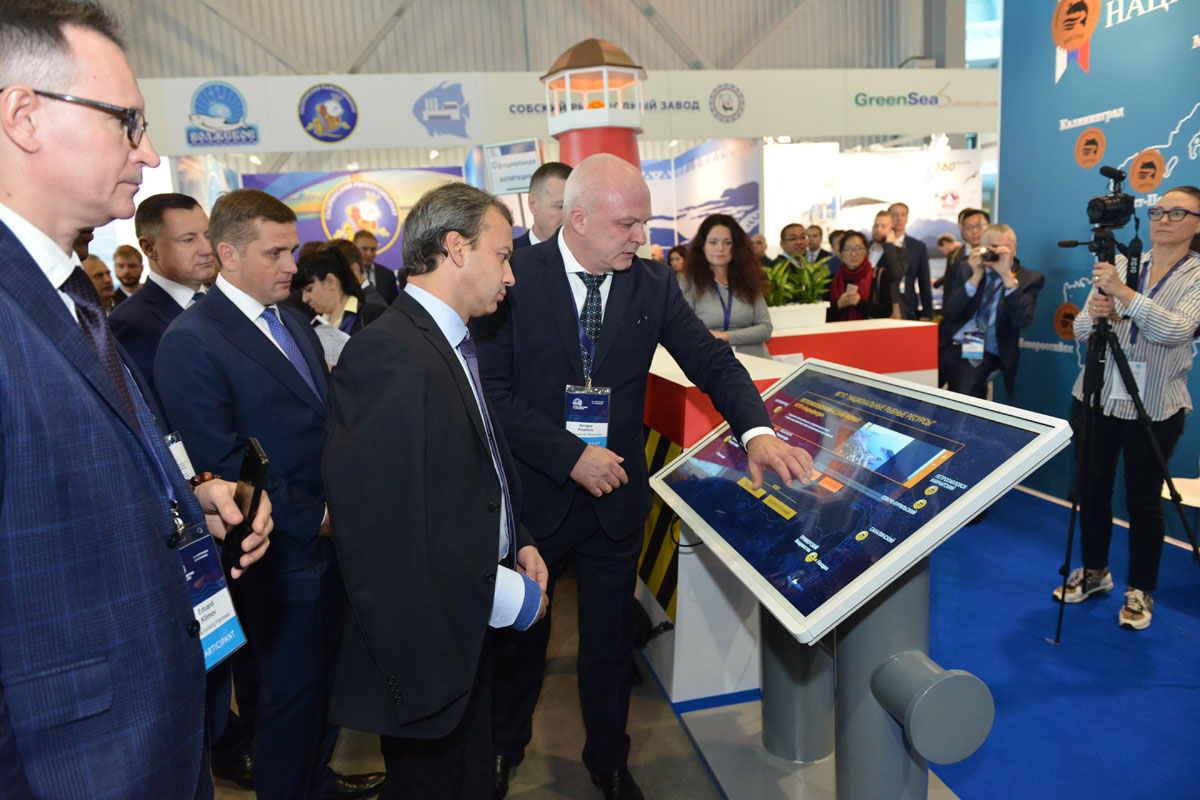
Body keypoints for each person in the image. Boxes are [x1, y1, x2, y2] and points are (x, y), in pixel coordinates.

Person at [473, 153, 814, 800]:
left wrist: (758, 431)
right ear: (577, 219)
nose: (642, 237)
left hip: (616, 497)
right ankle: (504, 747)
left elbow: (712, 363)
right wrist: (570, 455)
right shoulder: (515, 275)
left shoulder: (652, 283)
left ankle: (608, 761)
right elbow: (491, 394)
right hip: (534, 498)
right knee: (522, 638)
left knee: (608, 642)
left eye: (645, 222)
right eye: (627, 224)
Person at [0, 2, 271, 795]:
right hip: (69, 762)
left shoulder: (65, 294)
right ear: (23, 117)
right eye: (127, 122)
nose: (148, 153)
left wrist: (188, 499)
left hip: (152, 728)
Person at [155, 189, 385, 800]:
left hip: (330, 543)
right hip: (275, 553)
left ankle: (319, 784)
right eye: (276, 253)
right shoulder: (191, 340)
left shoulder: (290, 320)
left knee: (328, 687)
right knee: (289, 701)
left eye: (293, 250)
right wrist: (320, 518)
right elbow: (222, 460)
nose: (292, 266)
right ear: (228, 255)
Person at [325, 182, 549, 800]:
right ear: (456, 248)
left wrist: (518, 539)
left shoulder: (450, 342)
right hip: (428, 649)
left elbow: (478, 471)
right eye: (503, 256)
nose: (511, 275)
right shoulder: (389, 353)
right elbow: (384, 530)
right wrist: (498, 589)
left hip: (466, 630)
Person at [1056, 186, 1200, 631]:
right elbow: (1081, 329)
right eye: (1158, 211)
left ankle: (1140, 589)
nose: (1163, 219)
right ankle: (1094, 572)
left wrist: (1124, 295)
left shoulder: (1196, 275)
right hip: (1098, 395)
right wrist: (1098, 311)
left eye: (1177, 213)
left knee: (1143, 500)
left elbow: (1175, 330)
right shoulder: (1122, 264)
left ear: (1197, 224)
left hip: (1153, 405)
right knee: (1092, 489)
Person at [110, 192, 215, 402]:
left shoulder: (223, 303)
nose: (206, 249)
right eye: (188, 240)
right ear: (149, 248)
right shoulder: (130, 322)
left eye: (208, 235)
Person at [938, 223, 1043, 398]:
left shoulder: (1028, 279)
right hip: (949, 344)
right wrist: (975, 278)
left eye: (1005, 248)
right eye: (992, 247)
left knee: (963, 396)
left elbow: (1021, 320)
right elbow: (952, 312)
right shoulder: (966, 267)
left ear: (1014, 249)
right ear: (981, 248)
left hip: (984, 352)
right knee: (915, 391)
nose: (997, 252)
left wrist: (1007, 277)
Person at [680, 213, 773, 358]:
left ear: (736, 247)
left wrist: (724, 336)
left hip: (757, 359)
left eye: (727, 242)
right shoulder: (690, 281)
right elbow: (687, 329)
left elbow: (765, 329)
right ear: (702, 246)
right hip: (711, 360)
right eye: (713, 242)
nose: (720, 248)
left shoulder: (749, 278)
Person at [298, 248, 384, 335]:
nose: (304, 299)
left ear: (330, 281)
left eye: (309, 289)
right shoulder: (311, 322)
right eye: (302, 292)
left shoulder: (372, 315)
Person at [828, 231, 897, 322]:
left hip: (870, 330)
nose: (853, 254)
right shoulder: (832, 280)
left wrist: (860, 303)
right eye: (848, 249)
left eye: (859, 248)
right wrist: (839, 305)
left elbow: (887, 311)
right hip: (839, 330)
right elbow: (824, 316)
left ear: (866, 251)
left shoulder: (879, 275)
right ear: (841, 253)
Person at [888, 202, 933, 320]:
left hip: (909, 307)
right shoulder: (879, 245)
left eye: (903, 215)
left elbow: (924, 281)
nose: (899, 218)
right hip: (883, 307)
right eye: (895, 215)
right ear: (888, 218)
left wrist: (926, 313)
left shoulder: (918, 247)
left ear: (907, 218)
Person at [514, 161, 571, 249]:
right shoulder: (512, 254)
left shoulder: (590, 253)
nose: (570, 216)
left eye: (575, 207)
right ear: (533, 204)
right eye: (561, 207)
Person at [937, 208, 990, 299]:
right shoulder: (955, 256)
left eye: (979, 226)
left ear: (989, 227)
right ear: (962, 230)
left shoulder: (998, 255)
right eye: (969, 227)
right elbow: (949, 291)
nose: (974, 231)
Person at [867, 210, 909, 314]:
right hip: (865, 306)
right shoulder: (864, 248)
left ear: (891, 231)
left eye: (883, 226)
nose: (878, 229)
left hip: (889, 308)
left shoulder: (900, 252)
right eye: (876, 226)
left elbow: (896, 274)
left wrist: (889, 246)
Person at [352, 229, 400, 303]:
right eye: (364, 249)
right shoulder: (348, 273)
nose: (369, 253)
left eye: (373, 249)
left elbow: (393, 305)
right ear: (354, 249)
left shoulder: (388, 275)